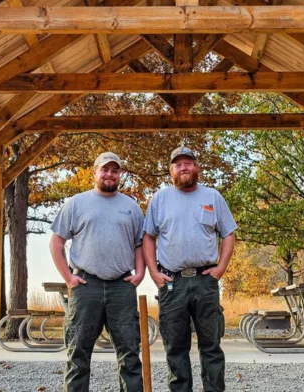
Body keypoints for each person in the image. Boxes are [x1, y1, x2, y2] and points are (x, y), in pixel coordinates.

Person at [143, 145, 237, 392]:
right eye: (178, 164)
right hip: (172, 283)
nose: (183, 167)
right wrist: (153, 272)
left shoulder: (212, 197)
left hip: (205, 281)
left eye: (187, 163)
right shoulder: (160, 199)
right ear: (171, 171)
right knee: (175, 347)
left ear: (197, 167)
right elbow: (148, 237)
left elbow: (229, 233)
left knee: (211, 346)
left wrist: (221, 268)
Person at [49, 151, 145, 392]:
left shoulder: (131, 207)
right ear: (95, 172)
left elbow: (140, 244)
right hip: (86, 285)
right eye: (105, 169)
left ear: (120, 174)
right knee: (78, 352)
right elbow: (56, 243)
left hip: (122, 286)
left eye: (115, 170)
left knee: (130, 352)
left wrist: (140, 273)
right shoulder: (76, 204)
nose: (109, 174)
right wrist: (69, 277)